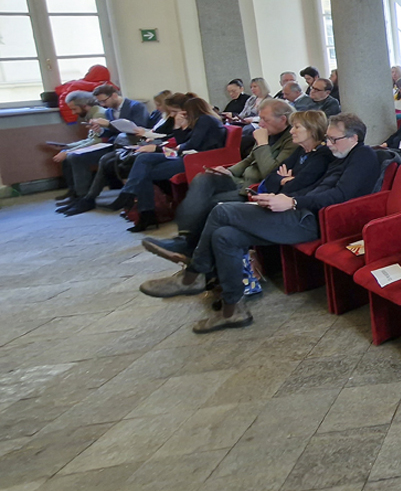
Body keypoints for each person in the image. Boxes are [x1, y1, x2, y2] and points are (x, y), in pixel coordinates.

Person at [139, 113, 376, 333]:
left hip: (313, 220)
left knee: (222, 212)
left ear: (354, 138)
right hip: (301, 211)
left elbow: (340, 195)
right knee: (225, 236)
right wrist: (282, 195)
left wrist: (292, 200)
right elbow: (312, 186)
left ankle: (194, 273)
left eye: (334, 139)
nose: (329, 143)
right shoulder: (337, 155)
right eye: (328, 139)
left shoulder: (362, 155)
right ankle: (233, 311)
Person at [141, 100, 301, 263]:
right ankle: (184, 239)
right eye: (260, 119)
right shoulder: (269, 133)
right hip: (240, 179)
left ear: (282, 119)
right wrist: (229, 171)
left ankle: (190, 248)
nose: (260, 124)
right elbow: (248, 160)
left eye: (265, 120)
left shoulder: (291, 139)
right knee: (203, 179)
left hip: (255, 188)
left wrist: (262, 143)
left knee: (211, 203)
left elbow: (270, 172)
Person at [113, 96, 226, 232]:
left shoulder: (205, 120)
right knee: (143, 159)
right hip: (188, 155)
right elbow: (184, 144)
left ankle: (144, 212)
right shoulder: (203, 120)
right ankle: (129, 195)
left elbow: (191, 144)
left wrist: (165, 146)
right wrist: (179, 128)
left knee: (144, 172)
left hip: (197, 159)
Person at [57, 84, 151, 209]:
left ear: (114, 95)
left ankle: (88, 199)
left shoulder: (136, 106)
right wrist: (100, 129)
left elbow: (139, 130)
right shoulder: (111, 110)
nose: (102, 105)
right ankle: (81, 196)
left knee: (105, 160)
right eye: (99, 102)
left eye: (103, 101)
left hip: (131, 144)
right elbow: (109, 133)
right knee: (76, 157)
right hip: (114, 144)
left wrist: (109, 124)